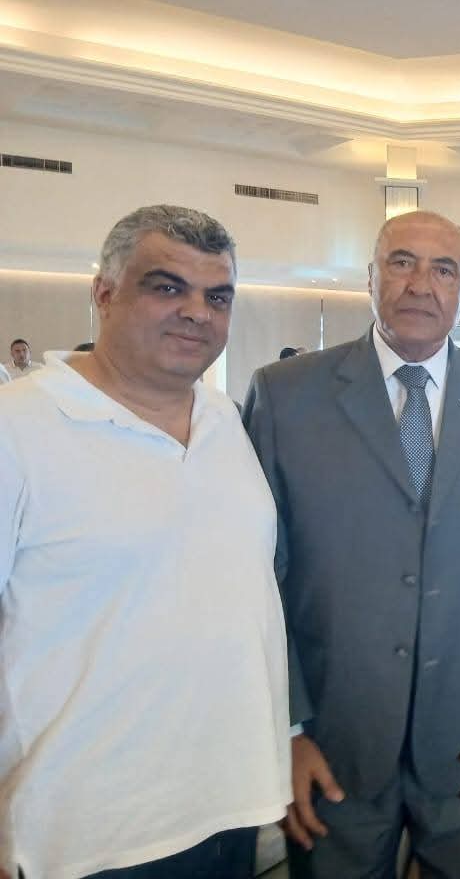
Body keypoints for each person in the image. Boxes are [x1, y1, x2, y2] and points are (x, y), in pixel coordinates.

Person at [242, 210, 460, 879]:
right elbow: (255, 575)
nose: (422, 284)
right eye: (402, 262)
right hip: (333, 741)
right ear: (370, 277)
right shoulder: (285, 396)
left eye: (444, 270)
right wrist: (286, 728)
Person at [0, 205, 290, 878]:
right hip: (79, 835)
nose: (196, 313)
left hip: (228, 804)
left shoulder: (225, 419)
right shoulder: (18, 427)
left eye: (217, 297)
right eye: (167, 287)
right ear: (104, 293)